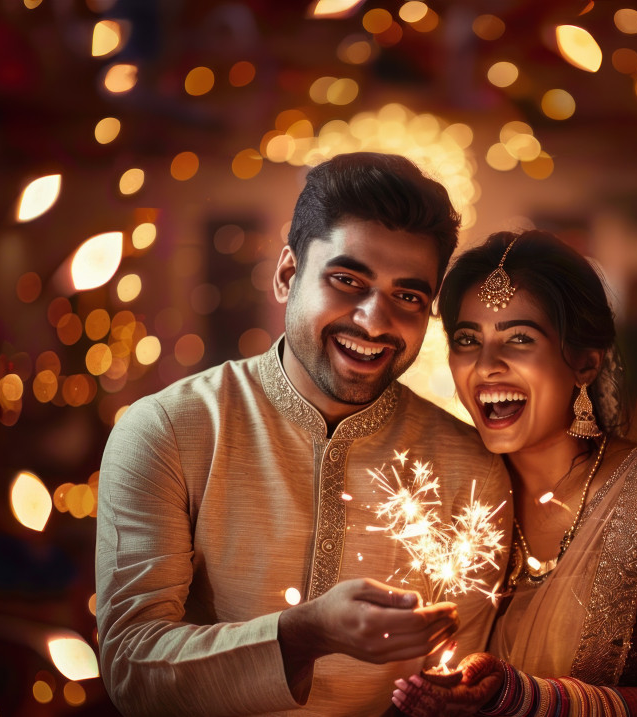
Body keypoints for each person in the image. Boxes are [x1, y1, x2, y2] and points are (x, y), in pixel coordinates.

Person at [95, 152, 512, 716]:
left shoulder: (472, 469)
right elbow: (131, 667)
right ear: (288, 273)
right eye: (347, 280)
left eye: (408, 296)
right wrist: (303, 634)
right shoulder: (168, 431)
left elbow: (454, 678)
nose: (373, 320)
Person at [391, 230, 637, 716]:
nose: (486, 366)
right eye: (467, 340)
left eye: (519, 339)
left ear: (584, 362)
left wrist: (519, 698)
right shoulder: (452, 497)